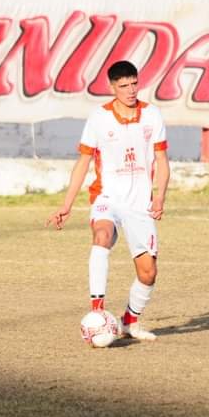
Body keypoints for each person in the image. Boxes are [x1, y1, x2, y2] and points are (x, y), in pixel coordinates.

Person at [46, 60, 170, 341]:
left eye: (134, 83)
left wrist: (160, 196)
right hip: (107, 197)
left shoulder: (152, 115)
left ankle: (129, 322)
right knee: (101, 236)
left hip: (140, 203)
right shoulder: (99, 118)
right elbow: (83, 162)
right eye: (123, 85)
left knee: (148, 273)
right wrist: (66, 205)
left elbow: (162, 160)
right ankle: (97, 313)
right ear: (112, 87)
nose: (130, 90)